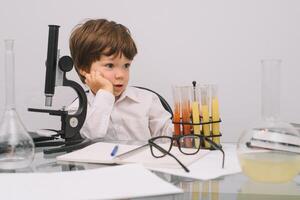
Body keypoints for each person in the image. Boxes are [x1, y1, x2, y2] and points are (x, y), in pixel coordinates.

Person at [68, 18, 172, 141]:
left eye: (126, 66)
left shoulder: (147, 100)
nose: (121, 75)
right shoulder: (77, 109)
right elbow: (91, 136)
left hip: (142, 160)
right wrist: (105, 93)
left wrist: (186, 128)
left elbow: (167, 135)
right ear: (84, 69)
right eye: (110, 66)